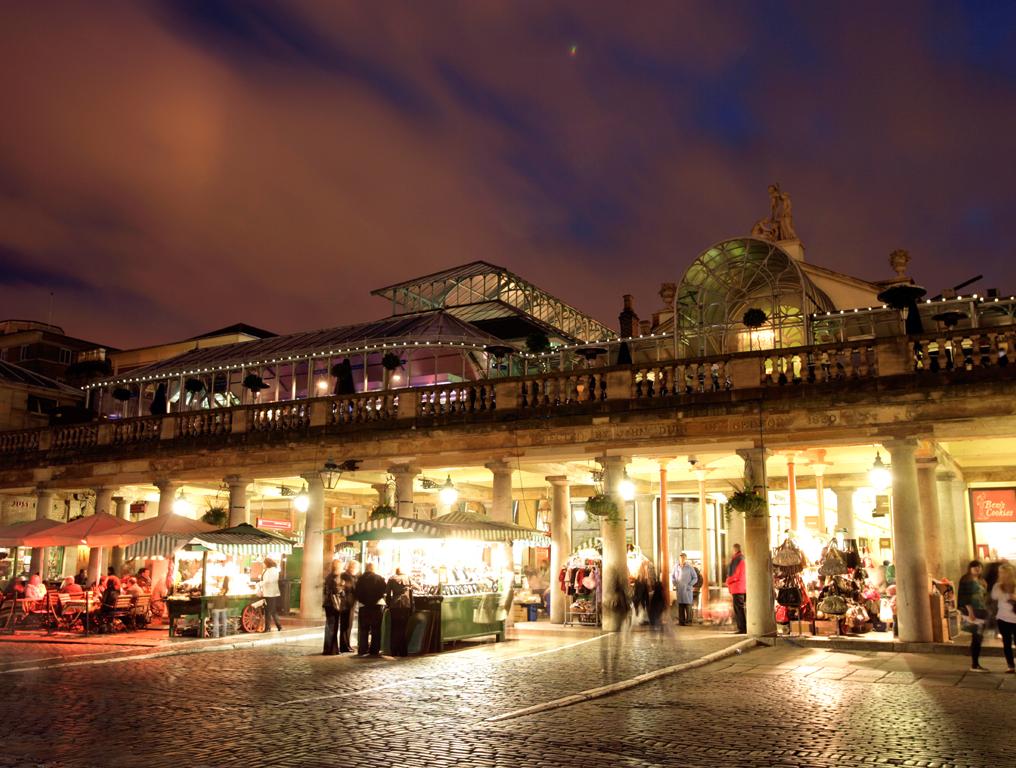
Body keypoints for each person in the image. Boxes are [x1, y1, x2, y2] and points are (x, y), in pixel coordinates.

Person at [957, 560, 989, 671]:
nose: (978, 569)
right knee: (976, 637)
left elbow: (984, 596)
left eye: (979, 567)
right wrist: (970, 612)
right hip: (973, 611)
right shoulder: (966, 579)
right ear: (970, 568)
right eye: (975, 567)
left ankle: (975, 664)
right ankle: (975, 664)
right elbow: (964, 596)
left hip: (982, 611)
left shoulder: (981, 580)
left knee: (978, 638)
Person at [353, 562, 387, 657]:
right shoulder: (379, 578)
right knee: (376, 629)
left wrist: (363, 600)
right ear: (374, 568)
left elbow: (357, 593)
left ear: (366, 569)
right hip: (376, 606)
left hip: (364, 606)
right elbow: (383, 591)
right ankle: (374, 649)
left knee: (364, 629)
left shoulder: (360, 579)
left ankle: (363, 649)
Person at [990, 562, 1016, 674]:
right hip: (1002, 618)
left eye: (1004, 573)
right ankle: (1010, 666)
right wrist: (1009, 596)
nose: (1002, 575)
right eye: (1001, 573)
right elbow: (994, 596)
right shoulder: (997, 586)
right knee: (1006, 642)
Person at [385, 567, 414, 657]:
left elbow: (388, 593)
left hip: (395, 605)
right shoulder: (408, 578)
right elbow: (411, 593)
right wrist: (412, 606)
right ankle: (403, 651)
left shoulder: (391, 579)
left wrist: (389, 604)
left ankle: (394, 651)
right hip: (406, 605)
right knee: (403, 628)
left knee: (394, 628)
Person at [673, 552, 699, 626]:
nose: (682, 559)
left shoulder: (690, 568)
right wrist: (675, 583)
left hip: (687, 589)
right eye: (680, 558)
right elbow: (673, 577)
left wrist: (690, 585)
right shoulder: (676, 567)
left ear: (685, 559)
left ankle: (689, 621)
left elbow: (695, 578)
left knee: (688, 605)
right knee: (681, 606)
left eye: (683, 558)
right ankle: (681, 621)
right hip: (680, 589)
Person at [322, 560, 342, 656]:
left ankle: (328, 648)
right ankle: (332, 649)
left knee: (329, 626)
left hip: (328, 604)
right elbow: (336, 590)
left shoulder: (328, 577)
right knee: (333, 626)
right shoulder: (336, 577)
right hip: (334, 604)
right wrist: (343, 587)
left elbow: (325, 591)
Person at [725, 544, 747, 634]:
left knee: (739, 609)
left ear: (735, 549)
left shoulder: (739, 559)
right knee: (739, 609)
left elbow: (737, 575)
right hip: (738, 587)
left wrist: (728, 580)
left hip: (738, 588)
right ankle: (741, 628)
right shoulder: (738, 558)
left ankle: (742, 628)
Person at [259, 557, 283, 632]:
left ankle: (268, 627)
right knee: (272, 610)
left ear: (267, 563)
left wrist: (259, 584)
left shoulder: (269, 571)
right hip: (274, 593)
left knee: (268, 611)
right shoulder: (275, 570)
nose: (263, 565)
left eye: (264, 563)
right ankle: (278, 626)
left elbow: (267, 581)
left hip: (268, 593)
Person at [338, 561, 358, 653]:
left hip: (349, 602)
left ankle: (346, 645)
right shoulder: (347, 576)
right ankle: (344, 646)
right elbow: (352, 588)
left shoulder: (348, 576)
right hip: (347, 603)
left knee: (347, 625)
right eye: (355, 567)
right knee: (346, 625)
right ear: (352, 567)